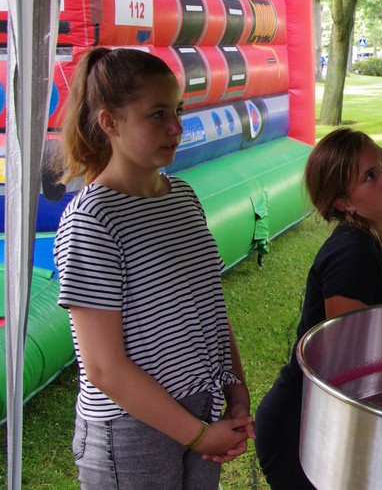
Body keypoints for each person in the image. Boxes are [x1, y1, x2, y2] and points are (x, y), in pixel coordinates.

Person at [53, 47, 254, 489]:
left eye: (177, 110)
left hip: (202, 406)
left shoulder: (182, 197)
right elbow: (104, 367)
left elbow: (210, 307)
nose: (176, 127)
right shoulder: (93, 219)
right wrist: (198, 435)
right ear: (110, 122)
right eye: (157, 114)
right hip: (132, 430)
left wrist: (236, 391)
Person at [254, 127, 382, 490]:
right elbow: (350, 368)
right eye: (370, 176)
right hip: (302, 427)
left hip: (340, 420)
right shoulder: (352, 253)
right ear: (344, 204)